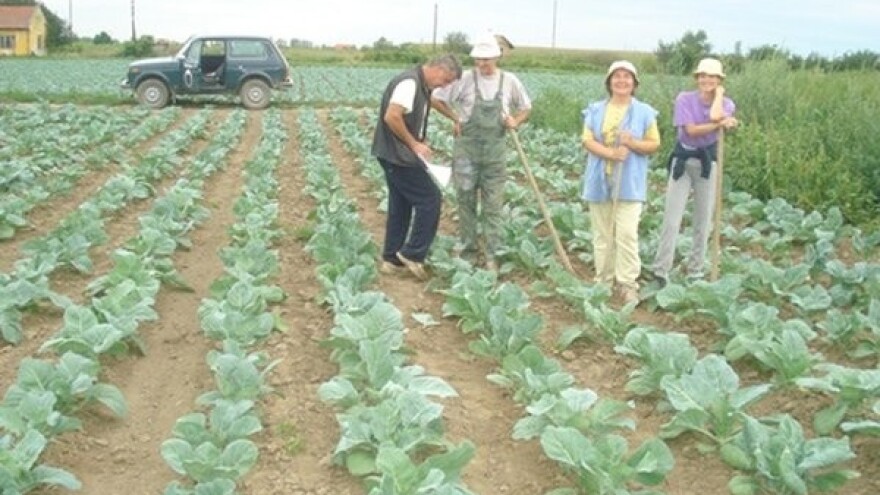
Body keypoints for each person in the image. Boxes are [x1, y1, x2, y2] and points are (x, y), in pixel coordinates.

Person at [432, 32, 532, 271]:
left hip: (495, 156)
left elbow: (526, 107)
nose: (482, 64)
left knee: (493, 205)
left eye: (487, 59)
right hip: (467, 152)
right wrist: (455, 117)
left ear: (497, 57)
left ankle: (491, 254)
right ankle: (467, 250)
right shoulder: (464, 79)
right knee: (465, 202)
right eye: (479, 59)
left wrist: (515, 121)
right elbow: (436, 98)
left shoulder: (509, 81)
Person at [371, 54, 463, 280]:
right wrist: (414, 144)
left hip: (392, 154)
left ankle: (391, 259)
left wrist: (454, 118)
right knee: (430, 199)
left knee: (400, 204)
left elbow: (428, 103)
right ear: (439, 69)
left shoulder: (420, 84)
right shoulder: (410, 83)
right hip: (399, 155)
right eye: (447, 79)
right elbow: (392, 116)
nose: (445, 85)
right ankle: (413, 253)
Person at [649, 57, 737, 286]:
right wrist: (720, 125)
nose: (706, 80)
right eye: (703, 76)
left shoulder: (726, 103)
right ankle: (661, 269)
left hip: (708, 163)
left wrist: (718, 96)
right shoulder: (684, 99)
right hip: (683, 161)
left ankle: (695, 269)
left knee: (703, 218)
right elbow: (692, 131)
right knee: (672, 217)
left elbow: (717, 114)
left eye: (712, 76)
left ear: (719, 80)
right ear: (697, 78)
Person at [581, 60, 660, 304]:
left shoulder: (644, 112)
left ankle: (627, 283)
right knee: (602, 234)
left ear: (634, 83)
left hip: (629, 181)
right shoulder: (595, 110)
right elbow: (587, 139)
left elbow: (654, 143)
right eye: (617, 77)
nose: (622, 81)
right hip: (600, 177)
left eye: (627, 77)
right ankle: (603, 279)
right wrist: (611, 154)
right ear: (609, 82)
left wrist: (633, 144)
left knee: (626, 233)